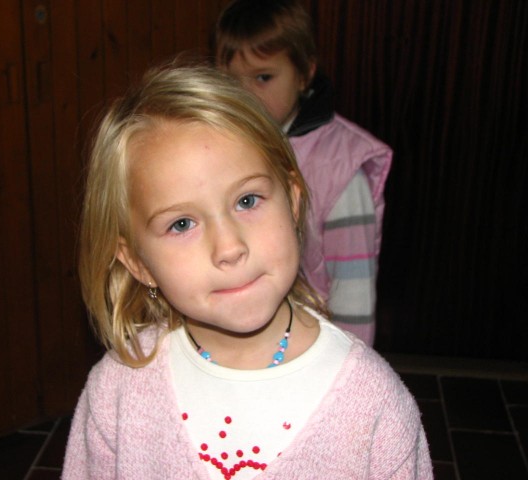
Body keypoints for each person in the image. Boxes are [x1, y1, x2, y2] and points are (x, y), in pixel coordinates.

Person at [62, 63, 431, 479]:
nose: (230, 248)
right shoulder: (116, 391)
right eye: (181, 224)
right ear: (139, 263)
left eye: (247, 200)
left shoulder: (372, 401)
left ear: (292, 203)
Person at [214, 0, 393, 346]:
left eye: (263, 77)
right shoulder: (222, 145)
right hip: (249, 336)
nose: (244, 94)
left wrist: (351, 363)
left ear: (304, 74)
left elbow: (353, 292)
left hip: (316, 343)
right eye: (231, 80)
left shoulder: (340, 169)